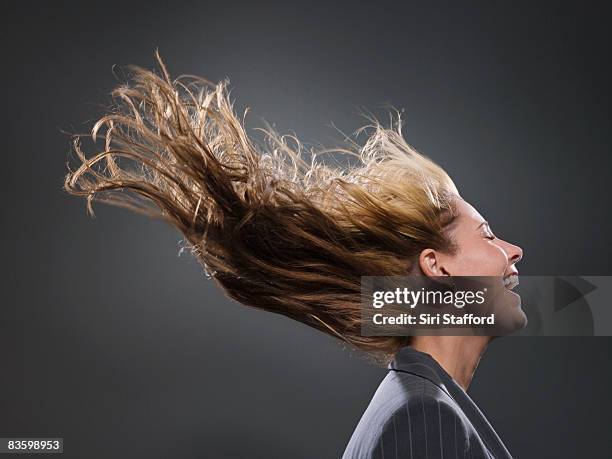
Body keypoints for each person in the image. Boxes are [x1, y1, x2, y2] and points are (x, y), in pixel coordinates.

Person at [64, 51, 523, 458]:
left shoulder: (423, 405)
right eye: (487, 236)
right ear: (435, 266)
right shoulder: (425, 415)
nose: (513, 252)